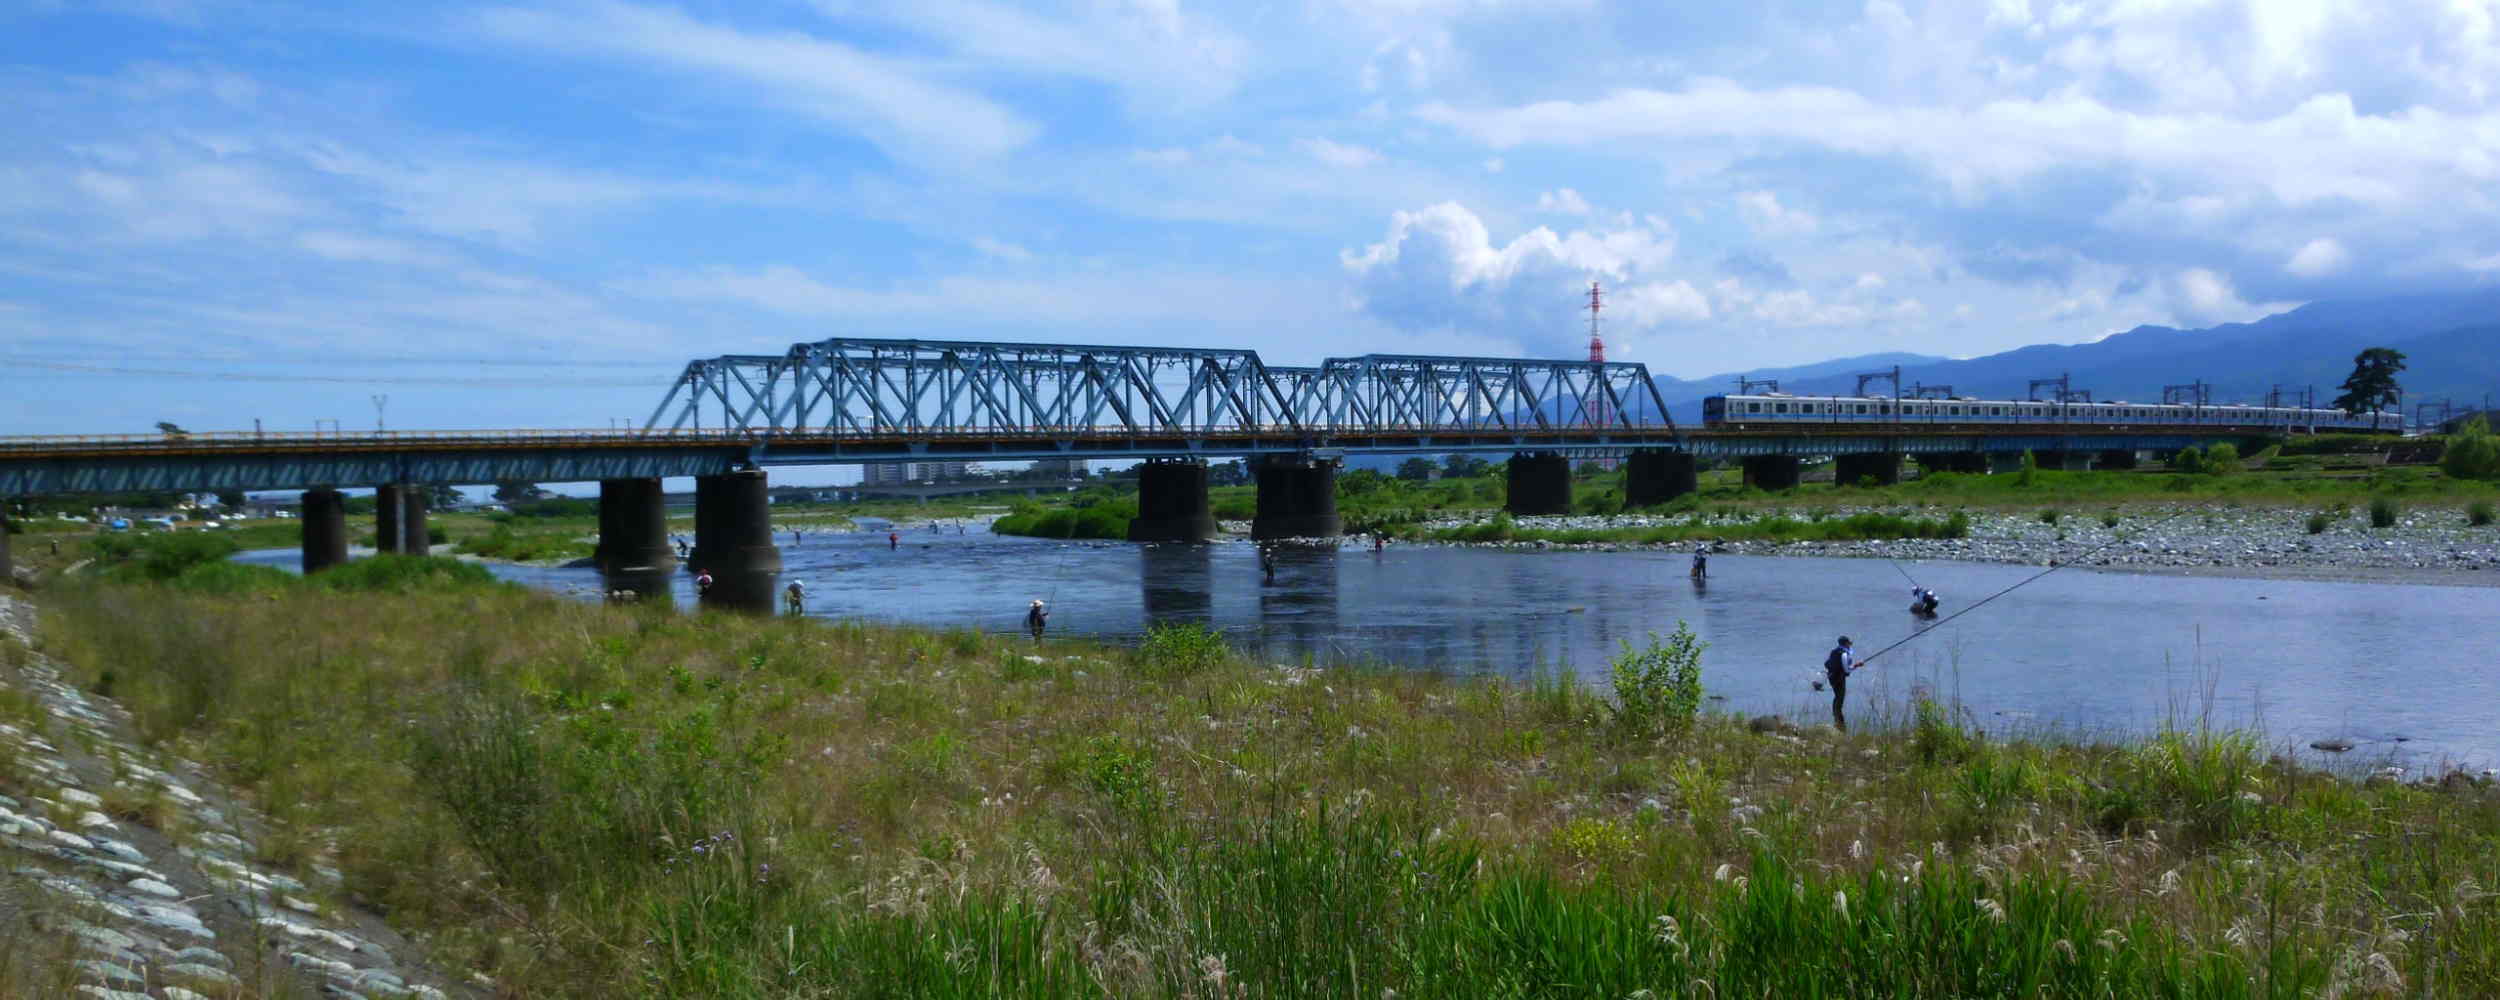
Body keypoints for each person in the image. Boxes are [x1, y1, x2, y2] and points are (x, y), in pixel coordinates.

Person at [1824, 636, 1857, 730]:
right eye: (1849, 643)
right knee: (1840, 699)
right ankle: (1840, 724)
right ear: (1845, 643)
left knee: (1837, 698)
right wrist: (1856, 666)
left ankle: (1836, 719)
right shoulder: (1844, 654)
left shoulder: (1834, 652)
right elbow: (1847, 670)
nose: (1850, 645)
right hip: (1839, 679)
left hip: (1832, 678)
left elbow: (1828, 664)